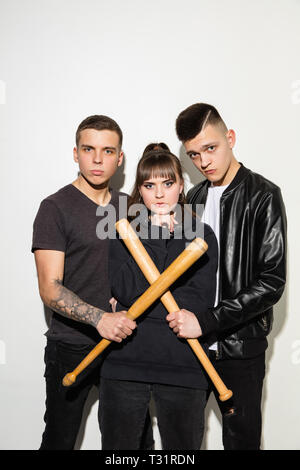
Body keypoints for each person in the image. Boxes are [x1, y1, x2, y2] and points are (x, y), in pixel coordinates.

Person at [31, 115, 153, 450]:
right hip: (71, 345)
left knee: (137, 443)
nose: (98, 159)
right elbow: (49, 287)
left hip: (126, 344)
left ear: (120, 157)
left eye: (107, 150)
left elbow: (149, 272)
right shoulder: (55, 208)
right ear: (75, 153)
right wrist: (99, 318)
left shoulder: (132, 207)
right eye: (89, 149)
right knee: (59, 439)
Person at [170, 103, 287, 450]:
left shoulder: (263, 195)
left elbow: (271, 282)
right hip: (191, 346)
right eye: (194, 154)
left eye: (211, 148)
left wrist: (207, 321)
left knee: (241, 442)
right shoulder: (193, 198)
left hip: (240, 349)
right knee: (183, 442)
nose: (204, 161)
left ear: (230, 138)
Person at [98, 144, 218, 450]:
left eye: (167, 183)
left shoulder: (201, 235)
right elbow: (123, 290)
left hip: (183, 366)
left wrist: (134, 308)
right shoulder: (123, 231)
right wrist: (152, 235)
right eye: (150, 185)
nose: (160, 194)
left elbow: (197, 304)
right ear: (140, 190)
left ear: (180, 186)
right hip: (125, 364)